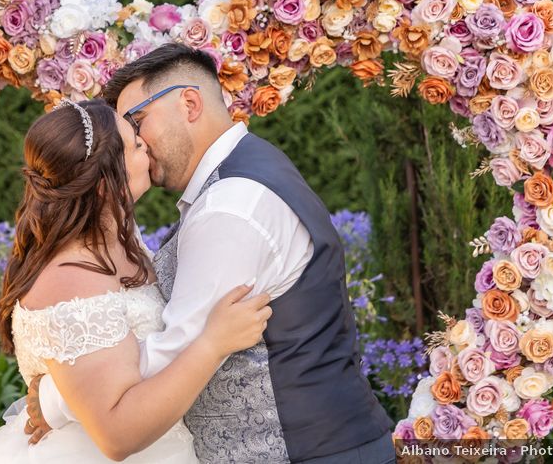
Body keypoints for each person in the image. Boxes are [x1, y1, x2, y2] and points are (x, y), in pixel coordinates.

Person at [27, 44, 396, 463]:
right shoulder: (247, 170)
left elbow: (176, 349)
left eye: (137, 120)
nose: (136, 142)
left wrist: (57, 397)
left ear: (189, 103)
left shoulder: (228, 206)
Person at [0, 97, 272, 463]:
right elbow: (117, 435)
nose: (147, 146)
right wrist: (213, 343)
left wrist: (58, 400)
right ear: (106, 183)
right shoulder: (70, 278)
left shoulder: (121, 238)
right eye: (136, 145)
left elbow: (121, 362)